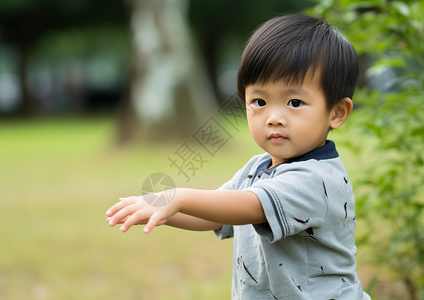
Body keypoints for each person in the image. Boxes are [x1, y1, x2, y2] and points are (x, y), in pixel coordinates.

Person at [106, 14, 371, 299]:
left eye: (294, 102)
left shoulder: (317, 179)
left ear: (336, 112)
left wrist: (178, 197)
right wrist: (163, 211)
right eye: (259, 101)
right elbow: (218, 216)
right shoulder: (258, 167)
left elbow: (249, 206)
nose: (273, 118)